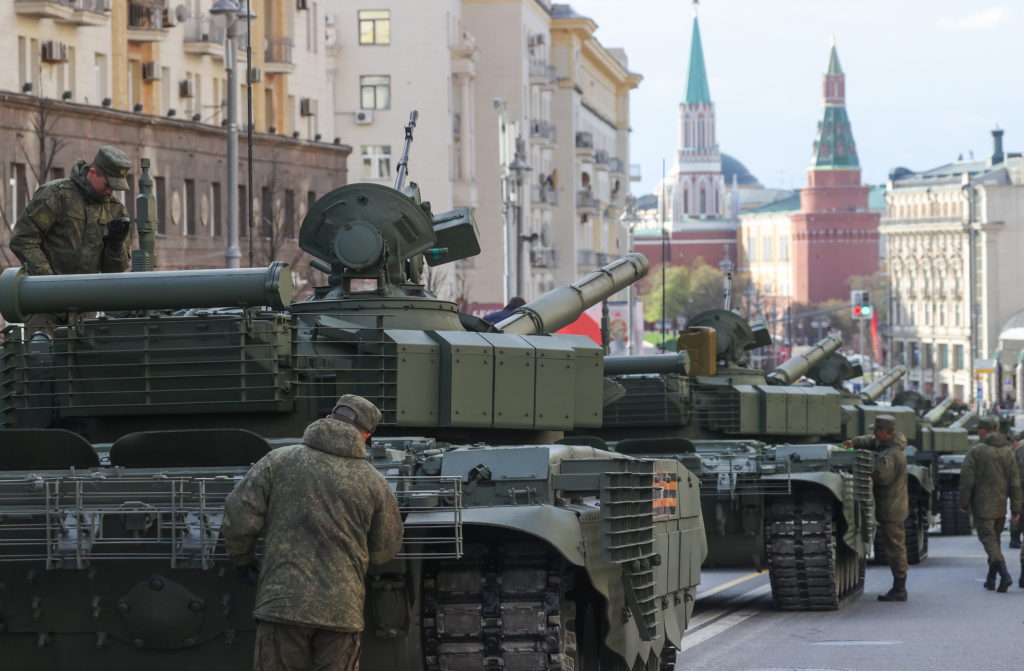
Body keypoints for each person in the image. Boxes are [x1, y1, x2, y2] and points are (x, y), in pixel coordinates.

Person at [222, 395, 404, 671]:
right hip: (341, 608)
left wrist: (243, 561)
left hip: (282, 603)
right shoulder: (375, 482)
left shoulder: (278, 460)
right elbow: (385, 549)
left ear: (329, 419)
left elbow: (239, 516)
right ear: (366, 435)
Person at [9, 146, 134, 333]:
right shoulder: (57, 195)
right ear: (93, 172)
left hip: (84, 309)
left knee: (81, 362)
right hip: (45, 305)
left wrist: (115, 246)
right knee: (40, 357)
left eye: (115, 188)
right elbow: (22, 239)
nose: (110, 192)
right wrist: (49, 282)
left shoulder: (115, 211)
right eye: (107, 185)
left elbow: (113, 271)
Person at [845, 414, 909, 601]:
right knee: (895, 546)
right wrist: (855, 443)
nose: (874, 434)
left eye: (876, 431)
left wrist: (869, 463)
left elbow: (882, 477)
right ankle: (899, 586)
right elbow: (872, 442)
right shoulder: (890, 445)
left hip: (891, 508)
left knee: (895, 547)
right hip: (893, 506)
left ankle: (900, 588)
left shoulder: (891, 454)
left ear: (883, 432)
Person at [959, 416, 1023, 593]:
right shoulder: (1008, 452)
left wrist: (963, 503)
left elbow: (967, 480)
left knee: (989, 542)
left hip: (982, 506)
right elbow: (1015, 483)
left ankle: (1004, 575)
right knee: (994, 542)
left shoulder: (976, 451)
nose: (978, 431)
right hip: (1000, 507)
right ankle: (991, 578)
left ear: (984, 430)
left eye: (979, 428)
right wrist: (1016, 509)